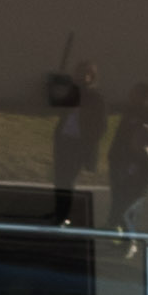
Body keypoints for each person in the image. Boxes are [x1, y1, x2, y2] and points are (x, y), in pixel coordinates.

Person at [47, 55, 103, 225]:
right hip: (64, 142)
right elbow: (56, 105)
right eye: (79, 73)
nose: (82, 77)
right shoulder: (72, 91)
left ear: (91, 77)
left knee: (67, 180)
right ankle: (59, 211)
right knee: (59, 179)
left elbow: (100, 125)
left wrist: (88, 143)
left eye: (86, 74)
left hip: (78, 145)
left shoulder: (95, 98)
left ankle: (64, 215)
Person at [105, 80, 148, 243]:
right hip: (119, 160)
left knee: (128, 202)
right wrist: (114, 154)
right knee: (117, 196)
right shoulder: (129, 112)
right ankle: (113, 227)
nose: (130, 95)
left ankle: (128, 238)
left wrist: (137, 160)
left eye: (135, 93)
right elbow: (120, 136)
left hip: (133, 165)